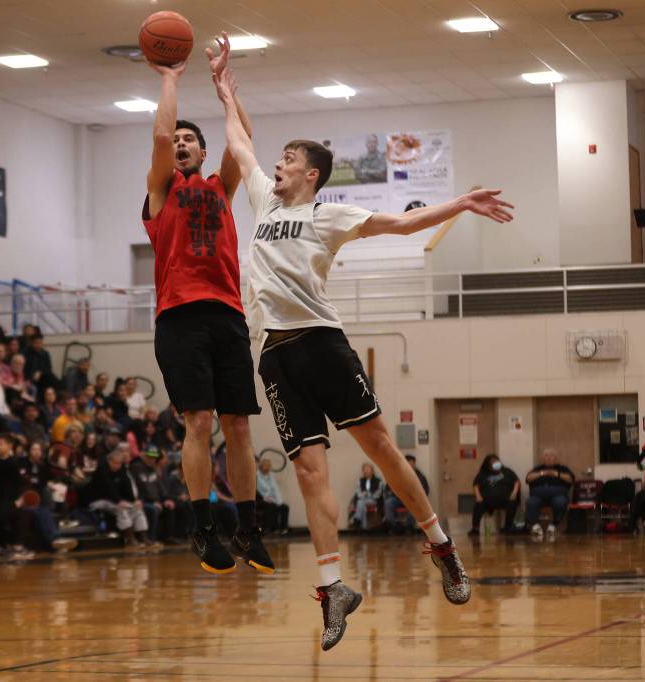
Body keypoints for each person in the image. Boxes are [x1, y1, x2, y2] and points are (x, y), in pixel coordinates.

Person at [213, 50, 512, 649]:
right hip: (274, 354)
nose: (277, 164)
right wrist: (224, 92)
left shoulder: (329, 214)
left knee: (379, 449)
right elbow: (240, 140)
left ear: (311, 174)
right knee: (308, 469)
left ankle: (442, 546)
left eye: (289, 159)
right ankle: (333, 589)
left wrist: (458, 203)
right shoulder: (261, 200)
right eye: (278, 158)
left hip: (323, 343)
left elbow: (399, 227)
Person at [142, 35, 272, 576]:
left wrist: (225, 92)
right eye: (177, 139)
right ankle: (201, 527)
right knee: (198, 421)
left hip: (228, 314)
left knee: (238, 425)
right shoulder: (160, 192)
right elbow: (158, 133)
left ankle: (248, 526)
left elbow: (243, 137)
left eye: (189, 140)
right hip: (179, 317)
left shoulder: (220, 186)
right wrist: (170, 77)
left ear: (201, 150)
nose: (180, 144)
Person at [87, 450, 148, 548]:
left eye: (119, 463)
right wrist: (119, 501)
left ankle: (143, 538)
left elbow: (127, 485)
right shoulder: (101, 470)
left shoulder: (121, 469)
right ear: (109, 461)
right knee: (121, 509)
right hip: (98, 500)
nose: (117, 466)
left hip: (114, 500)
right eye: (115, 463)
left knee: (137, 508)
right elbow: (109, 487)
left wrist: (134, 500)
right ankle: (130, 539)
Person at [0, 434, 35, 560]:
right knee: (0, 520)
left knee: (11, 517)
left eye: (1, 444)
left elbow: (20, 482)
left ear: (9, 446)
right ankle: (6, 548)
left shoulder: (14, 463)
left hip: (11, 496)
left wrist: (20, 499)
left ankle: (16, 547)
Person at [524, 449, 574, 541]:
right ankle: (535, 526)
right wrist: (542, 473)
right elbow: (528, 478)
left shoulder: (562, 469)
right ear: (543, 458)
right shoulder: (537, 469)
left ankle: (553, 525)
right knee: (530, 502)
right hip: (538, 496)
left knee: (560, 502)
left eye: (551, 456)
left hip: (558, 495)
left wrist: (556, 474)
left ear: (556, 458)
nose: (549, 458)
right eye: (546, 456)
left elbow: (570, 479)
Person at [471, 454, 520, 536]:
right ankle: (475, 529)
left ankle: (508, 528)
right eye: (493, 462)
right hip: (487, 500)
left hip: (506, 498)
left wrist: (514, 493)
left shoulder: (507, 471)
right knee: (478, 505)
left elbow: (516, 481)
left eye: (496, 461)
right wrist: (478, 496)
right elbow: (476, 485)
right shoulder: (483, 474)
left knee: (512, 504)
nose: (495, 463)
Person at [383, 455, 429, 534]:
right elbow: (388, 488)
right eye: (408, 463)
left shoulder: (420, 476)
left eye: (412, 463)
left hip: (412, 499)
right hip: (398, 498)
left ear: (414, 464)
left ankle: (409, 526)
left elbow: (426, 490)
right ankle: (394, 526)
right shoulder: (395, 474)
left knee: (415, 505)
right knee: (388, 502)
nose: (410, 466)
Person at [256, 457, 289, 535]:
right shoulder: (257, 475)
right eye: (266, 466)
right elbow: (260, 489)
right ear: (261, 467)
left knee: (285, 507)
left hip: (272, 499)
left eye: (269, 466)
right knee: (273, 506)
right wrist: (268, 498)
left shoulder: (271, 475)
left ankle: (283, 528)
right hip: (261, 499)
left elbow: (275, 489)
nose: (268, 468)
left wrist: (279, 501)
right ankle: (273, 528)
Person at [349, 463, 384, 531]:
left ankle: (357, 520)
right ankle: (364, 527)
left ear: (372, 471)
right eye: (364, 469)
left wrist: (368, 494)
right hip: (363, 499)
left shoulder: (378, 481)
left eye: (368, 469)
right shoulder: (360, 481)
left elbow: (378, 494)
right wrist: (363, 495)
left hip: (374, 500)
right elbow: (358, 493)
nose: (366, 471)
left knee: (361, 502)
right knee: (362, 504)